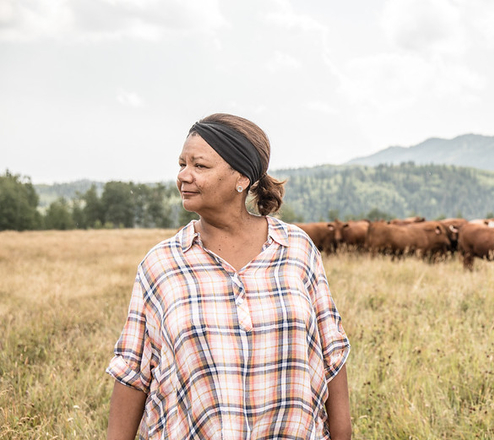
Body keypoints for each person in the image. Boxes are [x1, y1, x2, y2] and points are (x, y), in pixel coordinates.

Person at [105, 113, 351, 439]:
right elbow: (133, 373)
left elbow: (331, 354)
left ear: (242, 178)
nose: (183, 176)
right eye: (181, 164)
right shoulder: (161, 264)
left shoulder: (296, 250)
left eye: (200, 166)